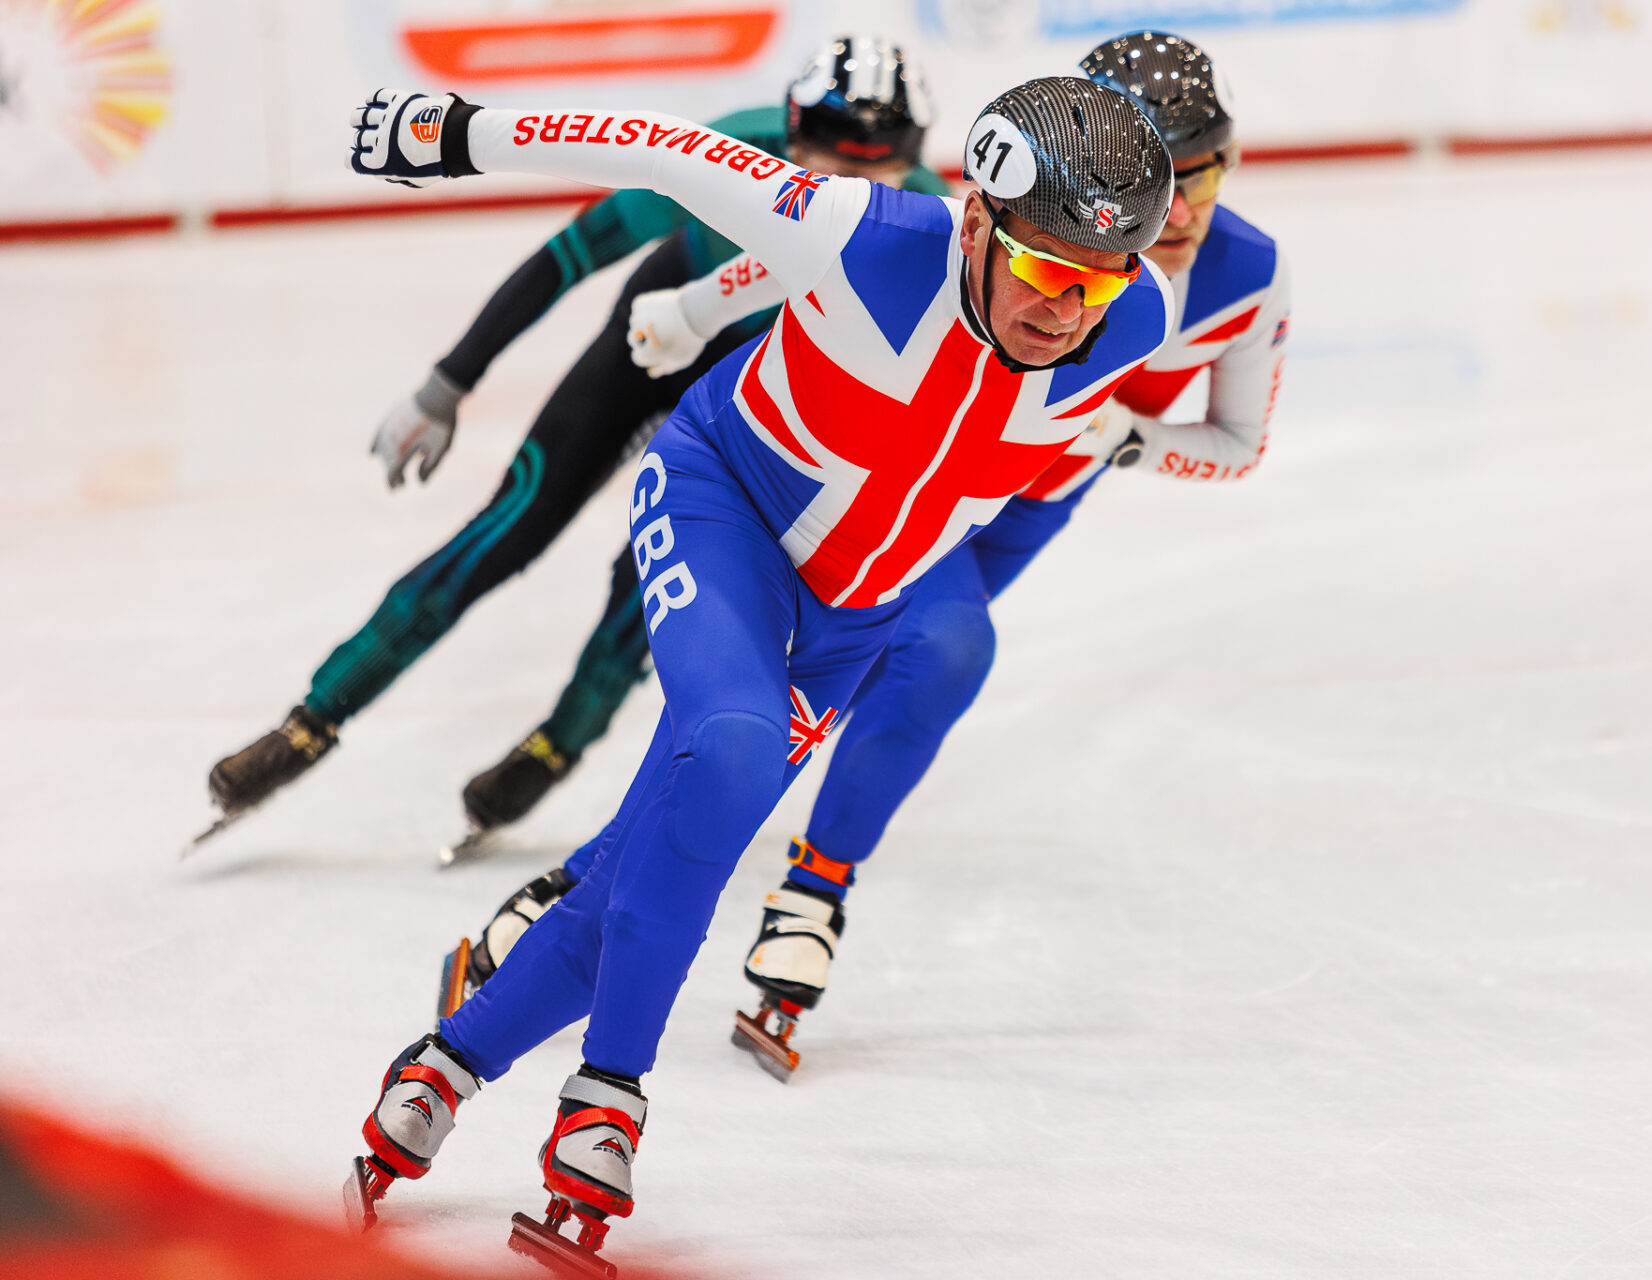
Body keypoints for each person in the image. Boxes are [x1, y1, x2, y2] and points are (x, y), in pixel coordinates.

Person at [340, 73, 1177, 1267]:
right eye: (1047, 270)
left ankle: (442, 1066)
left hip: (853, 613)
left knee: (648, 867)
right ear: (977, 221)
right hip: (721, 503)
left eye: (1101, 281)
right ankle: (607, 1098)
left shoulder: (1131, 324)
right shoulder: (864, 234)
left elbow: (1106, 434)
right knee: (730, 748)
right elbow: (660, 149)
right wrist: (455, 133)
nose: (1068, 310)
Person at [451, 32, 1293, 1081]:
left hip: (1005, 513)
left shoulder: (1245, 274)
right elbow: (840, 248)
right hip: (897, 493)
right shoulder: (1011, 233)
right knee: (919, 662)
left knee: (805, 714)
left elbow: (1241, 444)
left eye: (1203, 174)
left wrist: (1131, 439)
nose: (1180, 211)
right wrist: (700, 307)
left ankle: (695, 886)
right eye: (1161, 178)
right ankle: (791, 893)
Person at [196, 38, 944, 852]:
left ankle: (560, 742)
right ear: (790, 138)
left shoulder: (930, 220)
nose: (852, 189)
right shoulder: (742, 147)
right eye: (831, 162)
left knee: (652, 584)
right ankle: (317, 716)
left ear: (912, 162)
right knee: (512, 526)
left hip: (754, 395)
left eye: (880, 169)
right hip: (651, 341)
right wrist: (447, 383)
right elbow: (570, 257)